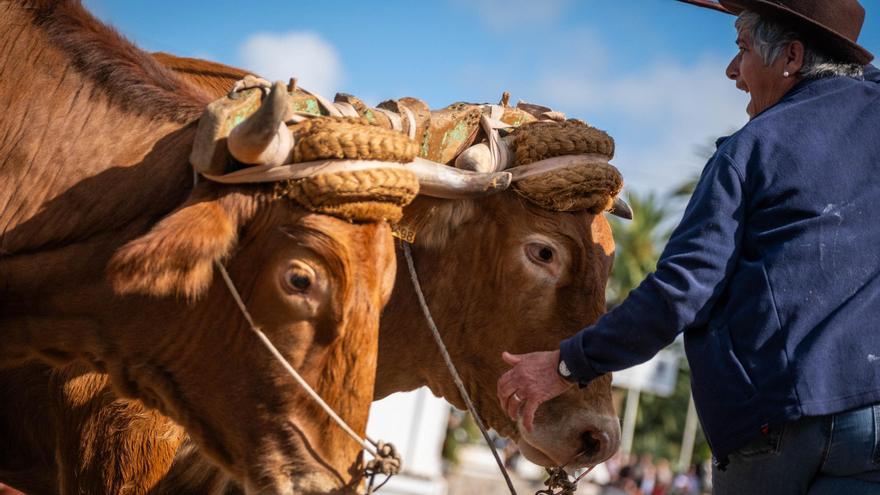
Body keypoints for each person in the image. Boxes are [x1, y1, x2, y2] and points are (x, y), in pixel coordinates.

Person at [496, 1, 880, 493]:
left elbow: (680, 291)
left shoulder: (752, 149)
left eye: (742, 50)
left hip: (778, 421)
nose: (732, 71)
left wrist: (567, 364)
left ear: (791, 57)